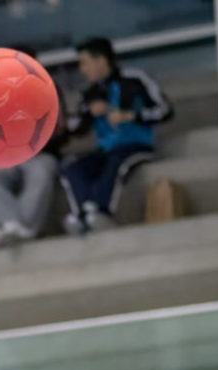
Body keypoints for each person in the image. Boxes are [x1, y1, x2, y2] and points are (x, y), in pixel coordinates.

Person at [62, 37, 170, 234]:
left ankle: (102, 212)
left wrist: (129, 115)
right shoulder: (89, 93)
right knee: (73, 169)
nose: (82, 69)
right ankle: (84, 215)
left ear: (101, 60)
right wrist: (87, 112)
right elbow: (75, 128)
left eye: (84, 63)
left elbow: (165, 110)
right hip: (105, 149)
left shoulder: (135, 79)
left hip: (136, 144)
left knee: (115, 164)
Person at [0, 50, 66, 246]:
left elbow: (59, 128)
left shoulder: (48, 87)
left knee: (41, 173)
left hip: (41, 153)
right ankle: (4, 225)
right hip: (8, 156)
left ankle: (24, 228)